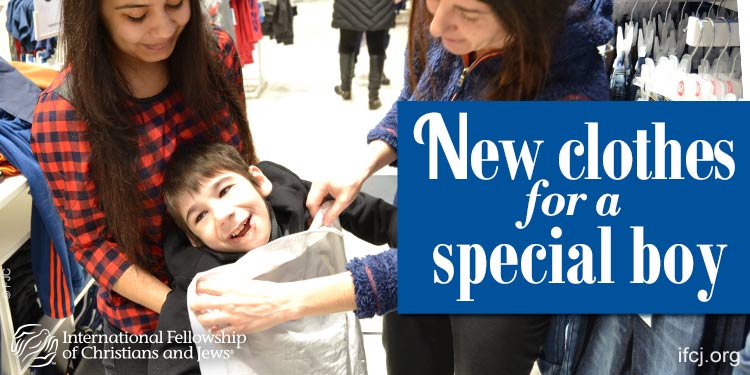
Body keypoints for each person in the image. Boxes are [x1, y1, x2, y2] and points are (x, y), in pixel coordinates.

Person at [191, 0, 613, 374]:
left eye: (467, 12)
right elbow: (421, 95)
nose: (435, 24)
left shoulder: (569, 104)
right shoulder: (458, 35)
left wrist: (287, 302)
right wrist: (366, 161)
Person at [30, 0, 256, 373]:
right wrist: (187, 309)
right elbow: (91, 243)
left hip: (245, 300)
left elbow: (242, 162)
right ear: (93, 15)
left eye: (175, 4)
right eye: (136, 15)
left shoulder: (215, 52)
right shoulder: (65, 114)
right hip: (150, 331)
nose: (164, 28)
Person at [149, 142, 397, 374]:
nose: (222, 214)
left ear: (258, 181)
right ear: (194, 239)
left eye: (225, 190)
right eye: (200, 216)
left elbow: (381, 218)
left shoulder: (308, 203)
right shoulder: (204, 287)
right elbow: (168, 362)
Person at [331, 0, 396, 110]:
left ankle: (345, 88)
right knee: (376, 47)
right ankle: (373, 97)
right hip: (378, 4)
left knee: (346, 44)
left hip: (348, 5)